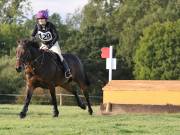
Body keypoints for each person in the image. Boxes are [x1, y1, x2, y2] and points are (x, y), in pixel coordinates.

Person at [31, 9, 72, 79]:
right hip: (43, 44)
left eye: (42, 19)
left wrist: (49, 46)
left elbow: (56, 36)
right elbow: (32, 35)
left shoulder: (50, 25)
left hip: (53, 44)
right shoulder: (37, 26)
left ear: (46, 19)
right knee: (37, 56)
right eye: (39, 19)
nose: (40, 20)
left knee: (59, 56)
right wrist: (32, 41)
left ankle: (67, 71)